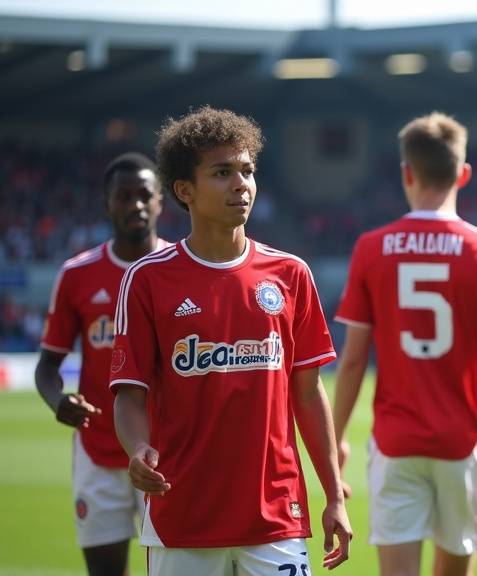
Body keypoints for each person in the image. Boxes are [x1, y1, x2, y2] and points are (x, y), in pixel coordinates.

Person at [109, 106, 352, 574]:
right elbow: (128, 393)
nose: (241, 183)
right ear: (184, 190)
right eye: (222, 172)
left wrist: (334, 493)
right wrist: (137, 448)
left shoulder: (290, 274)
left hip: (277, 517)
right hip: (183, 516)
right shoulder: (146, 281)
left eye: (247, 171)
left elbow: (308, 393)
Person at [333, 111, 477, 576]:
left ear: (406, 173)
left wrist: (335, 438)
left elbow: (354, 358)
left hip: (395, 442)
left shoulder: (371, 247)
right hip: (460, 440)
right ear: (463, 174)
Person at [36, 152, 167, 576]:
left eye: (144, 195)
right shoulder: (77, 274)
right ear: (107, 202)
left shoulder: (179, 271)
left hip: (167, 452)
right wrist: (58, 401)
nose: (136, 205)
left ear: (161, 201)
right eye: (123, 196)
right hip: (97, 450)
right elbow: (46, 368)